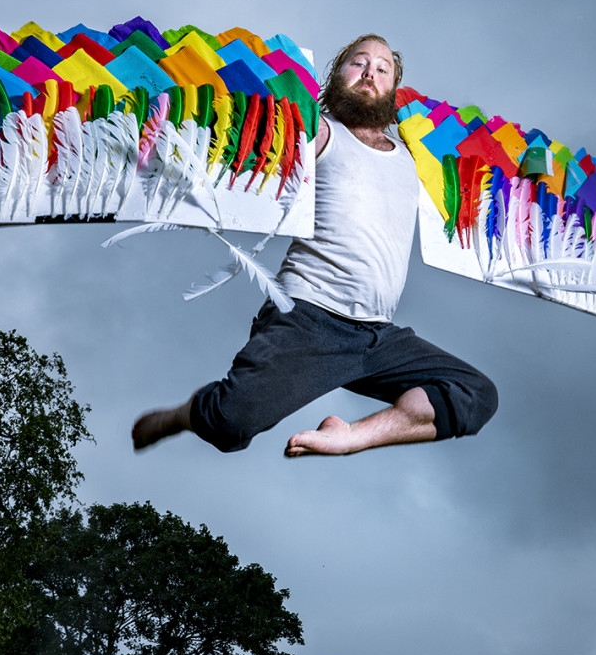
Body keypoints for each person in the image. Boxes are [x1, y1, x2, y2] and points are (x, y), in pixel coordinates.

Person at [131, 34, 498, 457]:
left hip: (379, 335)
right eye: (358, 63)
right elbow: (241, 113)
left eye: (382, 69)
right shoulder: (322, 133)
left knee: (475, 395)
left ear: (393, 90)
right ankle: (181, 415)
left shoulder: (413, 159)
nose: (369, 73)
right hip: (310, 318)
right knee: (230, 425)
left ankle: (350, 437)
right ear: (336, 76)